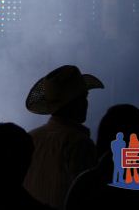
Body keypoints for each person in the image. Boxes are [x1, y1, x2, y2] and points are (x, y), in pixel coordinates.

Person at [23, 64, 104, 210]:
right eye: (83, 97)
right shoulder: (79, 143)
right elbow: (87, 200)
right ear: (75, 102)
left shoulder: (29, 138)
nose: (86, 103)